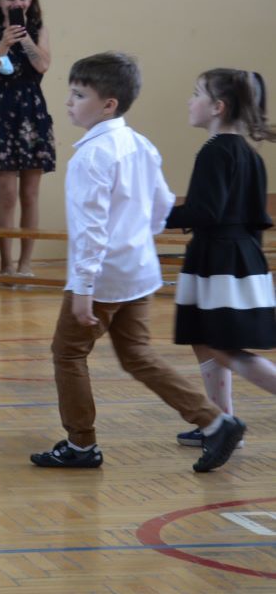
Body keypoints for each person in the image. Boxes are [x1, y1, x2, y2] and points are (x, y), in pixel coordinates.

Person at [32, 53, 244, 472]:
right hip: (139, 271)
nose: (69, 102)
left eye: (79, 95)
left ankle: (81, 444)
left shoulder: (90, 156)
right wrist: (135, 240)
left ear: (108, 104)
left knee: (68, 354)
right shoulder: (140, 144)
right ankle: (216, 422)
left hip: (101, 278)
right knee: (137, 355)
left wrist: (84, 288)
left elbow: (91, 229)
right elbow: (161, 204)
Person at [165, 68, 275, 445]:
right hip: (234, 259)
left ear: (218, 107)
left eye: (196, 93)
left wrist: (155, 214)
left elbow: (205, 212)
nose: (189, 101)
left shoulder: (216, 151)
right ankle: (221, 423)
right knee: (204, 340)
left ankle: (224, 424)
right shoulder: (248, 154)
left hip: (221, 262)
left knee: (222, 347)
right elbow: (256, 218)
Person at [0, 0, 56, 280]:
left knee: (30, 195)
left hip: (32, 112)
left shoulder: (39, 30)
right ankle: (7, 265)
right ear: (0, 2)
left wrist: (25, 40)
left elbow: (42, 65)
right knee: (7, 195)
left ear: (30, 0)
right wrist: (4, 44)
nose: (17, 3)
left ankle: (26, 264)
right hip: (2, 113)